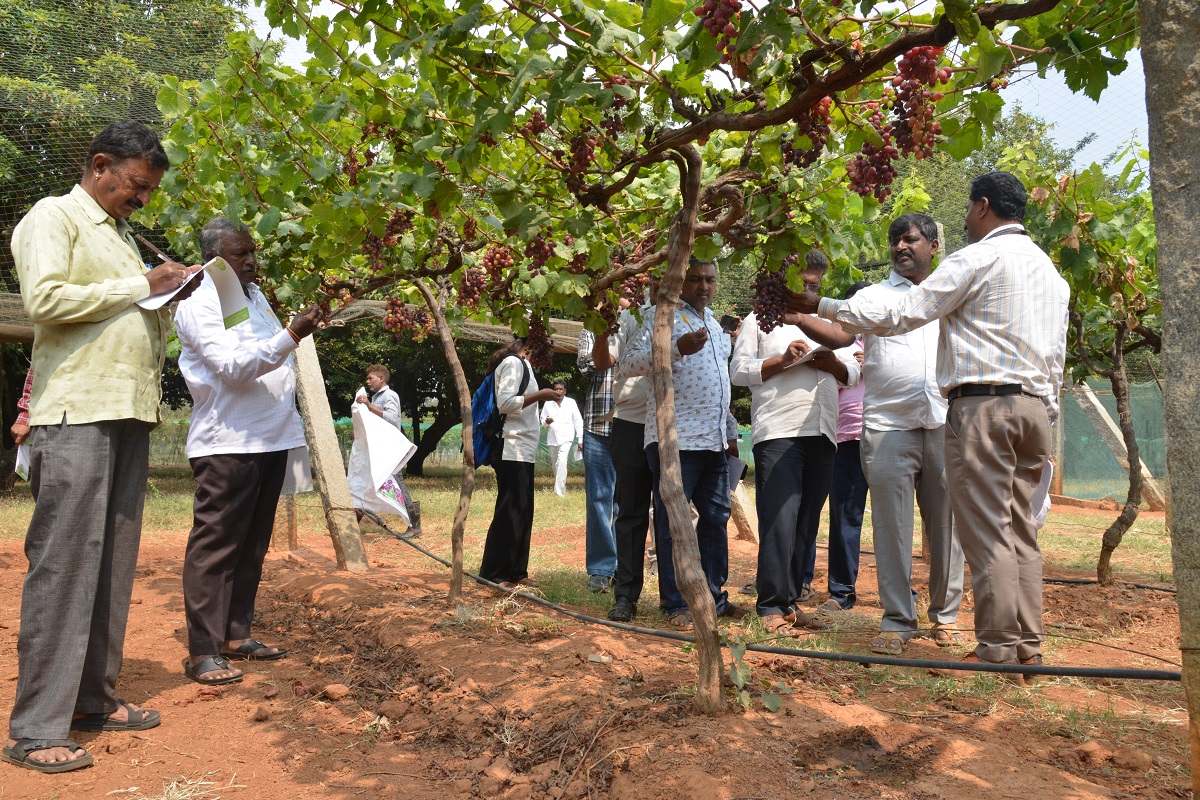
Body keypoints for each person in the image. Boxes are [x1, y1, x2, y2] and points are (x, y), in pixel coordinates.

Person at [789, 172, 1068, 681]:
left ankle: (998, 646)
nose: (965, 217)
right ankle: (1028, 646)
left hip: (982, 408)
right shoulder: (1050, 272)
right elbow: (1056, 356)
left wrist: (824, 304)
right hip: (1032, 410)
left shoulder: (977, 258)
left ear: (983, 206)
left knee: (984, 533)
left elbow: (907, 313)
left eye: (967, 207)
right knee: (1020, 530)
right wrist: (1044, 416)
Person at [5, 120, 200, 773]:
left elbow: (122, 313)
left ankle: (92, 698)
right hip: (77, 411)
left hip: (127, 410)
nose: (142, 200)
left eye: (148, 192)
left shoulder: (120, 238)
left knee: (111, 565)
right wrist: (144, 285)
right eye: (136, 186)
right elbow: (47, 300)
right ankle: (36, 729)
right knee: (63, 567)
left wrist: (169, 295)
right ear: (100, 165)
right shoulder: (52, 217)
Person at [175, 217, 325, 686]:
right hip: (228, 443)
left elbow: (264, 353)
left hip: (271, 438)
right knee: (216, 546)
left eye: (251, 253)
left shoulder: (252, 298)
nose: (251, 262)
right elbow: (234, 368)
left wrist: (286, 335)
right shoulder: (200, 302)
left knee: (253, 544)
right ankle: (203, 650)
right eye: (240, 255)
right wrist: (292, 334)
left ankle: (236, 634)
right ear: (215, 259)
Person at [730, 251, 860, 636]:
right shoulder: (759, 319)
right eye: (801, 283)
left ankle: (789, 602)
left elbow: (853, 369)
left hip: (824, 431)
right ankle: (769, 604)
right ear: (784, 279)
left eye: (814, 285)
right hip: (780, 430)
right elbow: (738, 372)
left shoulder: (830, 324)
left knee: (806, 521)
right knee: (780, 518)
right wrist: (782, 360)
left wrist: (833, 364)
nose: (807, 290)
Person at [625, 259, 746, 629]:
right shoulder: (656, 317)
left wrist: (729, 434)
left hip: (712, 441)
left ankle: (714, 597)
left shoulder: (714, 323)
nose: (704, 286)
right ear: (680, 281)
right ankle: (676, 603)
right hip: (673, 439)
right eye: (695, 279)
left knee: (715, 519)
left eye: (710, 279)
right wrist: (675, 347)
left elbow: (721, 384)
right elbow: (628, 365)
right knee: (671, 522)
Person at [801, 281, 870, 615]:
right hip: (845, 439)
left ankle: (902, 592)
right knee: (845, 516)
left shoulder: (893, 337)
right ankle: (841, 591)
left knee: (892, 520)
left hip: (886, 435)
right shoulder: (835, 342)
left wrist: (873, 361)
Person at [479, 338, 565, 590]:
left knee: (523, 510)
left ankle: (517, 571)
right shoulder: (513, 363)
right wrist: (541, 395)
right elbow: (505, 403)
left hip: (524, 448)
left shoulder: (523, 366)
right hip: (511, 445)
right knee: (510, 511)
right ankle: (493, 573)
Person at [592, 290, 654, 621]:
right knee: (630, 511)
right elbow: (603, 361)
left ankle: (676, 599)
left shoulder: (690, 317)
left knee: (677, 512)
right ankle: (626, 596)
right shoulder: (631, 318)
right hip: (631, 422)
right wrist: (602, 328)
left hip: (675, 424)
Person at [577, 320, 620, 593]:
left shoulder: (643, 323)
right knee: (599, 499)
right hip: (597, 427)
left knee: (629, 502)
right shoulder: (591, 328)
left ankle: (626, 567)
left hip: (634, 425)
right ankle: (602, 569)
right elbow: (585, 366)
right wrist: (605, 337)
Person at [355, 364, 421, 536]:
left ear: (381, 379)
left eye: (371, 378)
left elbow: (393, 421)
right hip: (379, 448)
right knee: (367, 481)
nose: (367, 381)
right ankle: (353, 521)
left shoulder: (390, 396)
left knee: (398, 483)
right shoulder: (376, 397)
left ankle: (415, 526)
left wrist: (369, 406)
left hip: (390, 450)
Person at [539, 380, 583, 497]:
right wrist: (546, 421)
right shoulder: (548, 403)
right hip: (552, 437)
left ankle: (558, 493)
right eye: (556, 389)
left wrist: (580, 439)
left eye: (560, 389)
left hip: (567, 436)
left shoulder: (571, 403)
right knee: (555, 465)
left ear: (565, 391)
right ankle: (560, 487)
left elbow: (578, 421)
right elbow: (542, 420)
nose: (558, 391)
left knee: (562, 461)